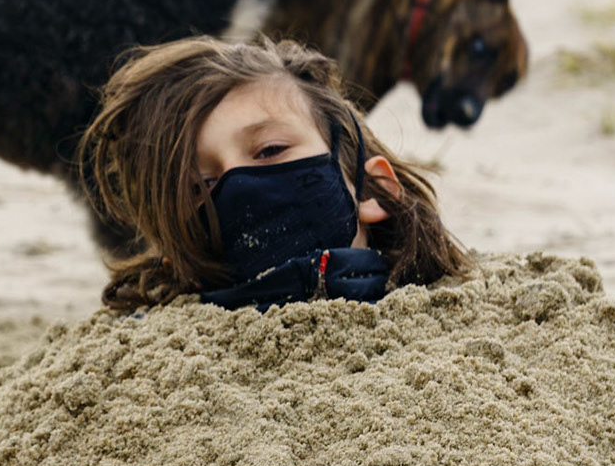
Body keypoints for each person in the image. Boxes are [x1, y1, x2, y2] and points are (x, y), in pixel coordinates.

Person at [79, 36, 470, 311]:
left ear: (373, 191)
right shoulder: (141, 370)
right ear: (172, 253)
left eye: (270, 150)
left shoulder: (475, 325)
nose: (240, 185)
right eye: (201, 187)